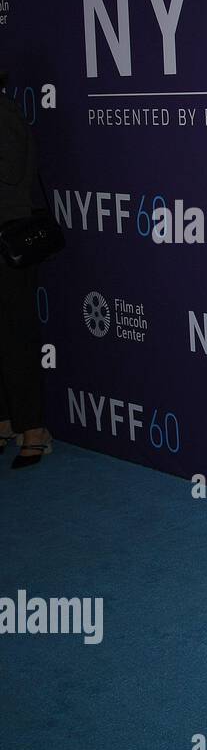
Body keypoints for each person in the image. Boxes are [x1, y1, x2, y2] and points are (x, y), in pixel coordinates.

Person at [0, 75, 53, 469]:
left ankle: (33, 430)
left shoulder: (5, 112)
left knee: (17, 334)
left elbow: (14, 171)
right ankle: (5, 422)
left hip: (8, 243)